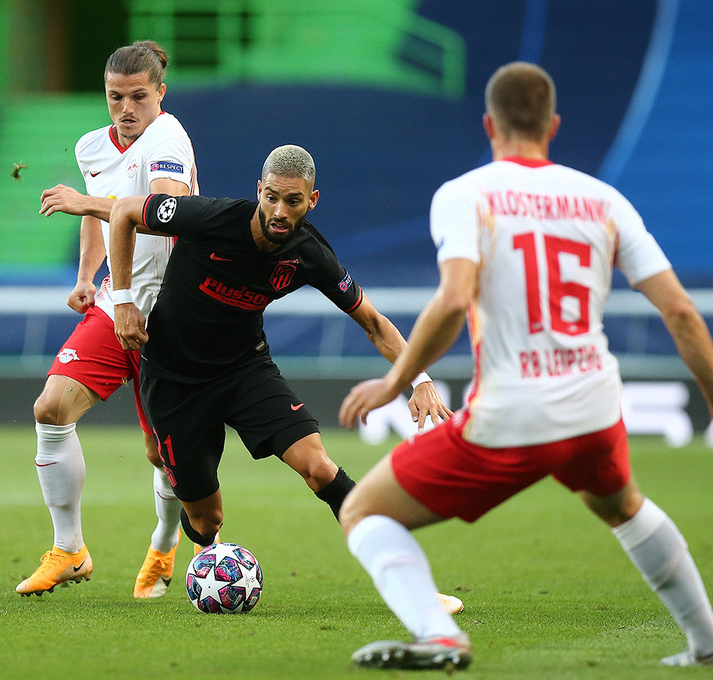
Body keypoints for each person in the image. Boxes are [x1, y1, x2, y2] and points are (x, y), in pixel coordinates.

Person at [337, 61, 713, 671]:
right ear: (553, 125)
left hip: (511, 415)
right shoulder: (603, 200)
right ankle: (711, 644)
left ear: (489, 124)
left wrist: (396, 379)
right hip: (592, 409)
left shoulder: (465, 195)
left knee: (362, 510)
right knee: (621, 505)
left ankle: (440, 635)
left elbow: (455, 299)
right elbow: (683, 313)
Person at [107, 144, 464, 615]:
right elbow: (125, 212)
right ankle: (171, 539)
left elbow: (374, 323)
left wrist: (419, 378)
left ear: (312, 200)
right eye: (271, 197)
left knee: (320, 468)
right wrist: (124, 300)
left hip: (244, 371)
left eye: (292, 201)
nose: (279, 211)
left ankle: (411, 586)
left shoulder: (310, 254)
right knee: (207, 520)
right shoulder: (210, 218)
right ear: (258, 190)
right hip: (174, 381)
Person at [16, 40, 198, 599]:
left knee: (161, 452)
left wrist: (85, 203)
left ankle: (164, 545)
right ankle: (69, 548)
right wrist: (84, 276)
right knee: (51, 408)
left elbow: (162, 217)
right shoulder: (92, 146)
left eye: (138, 97)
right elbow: (98, 220)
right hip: (114, 302)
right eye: (115, 96)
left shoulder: (169, 138)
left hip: (172, 311)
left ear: (159, 93)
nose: (125, 108)